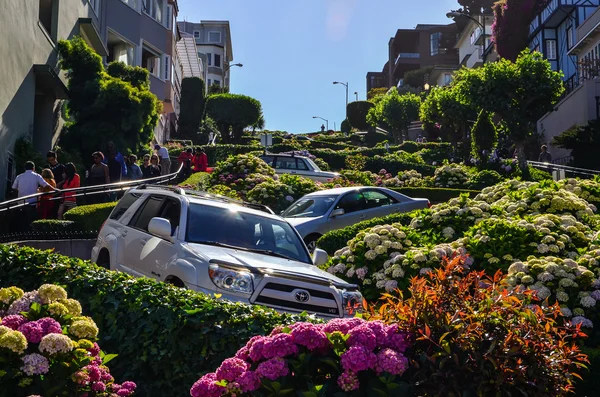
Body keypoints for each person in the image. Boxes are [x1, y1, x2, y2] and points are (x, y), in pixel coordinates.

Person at [11, 161, 57, 227]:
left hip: (20, 202)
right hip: (32, 202)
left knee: (21, 221)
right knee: (30, 222)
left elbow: (14, 188)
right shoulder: (37, 176)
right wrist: (55, 189)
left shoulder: (19, 176)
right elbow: (46, 185)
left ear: (25, 168)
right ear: (33, 168)